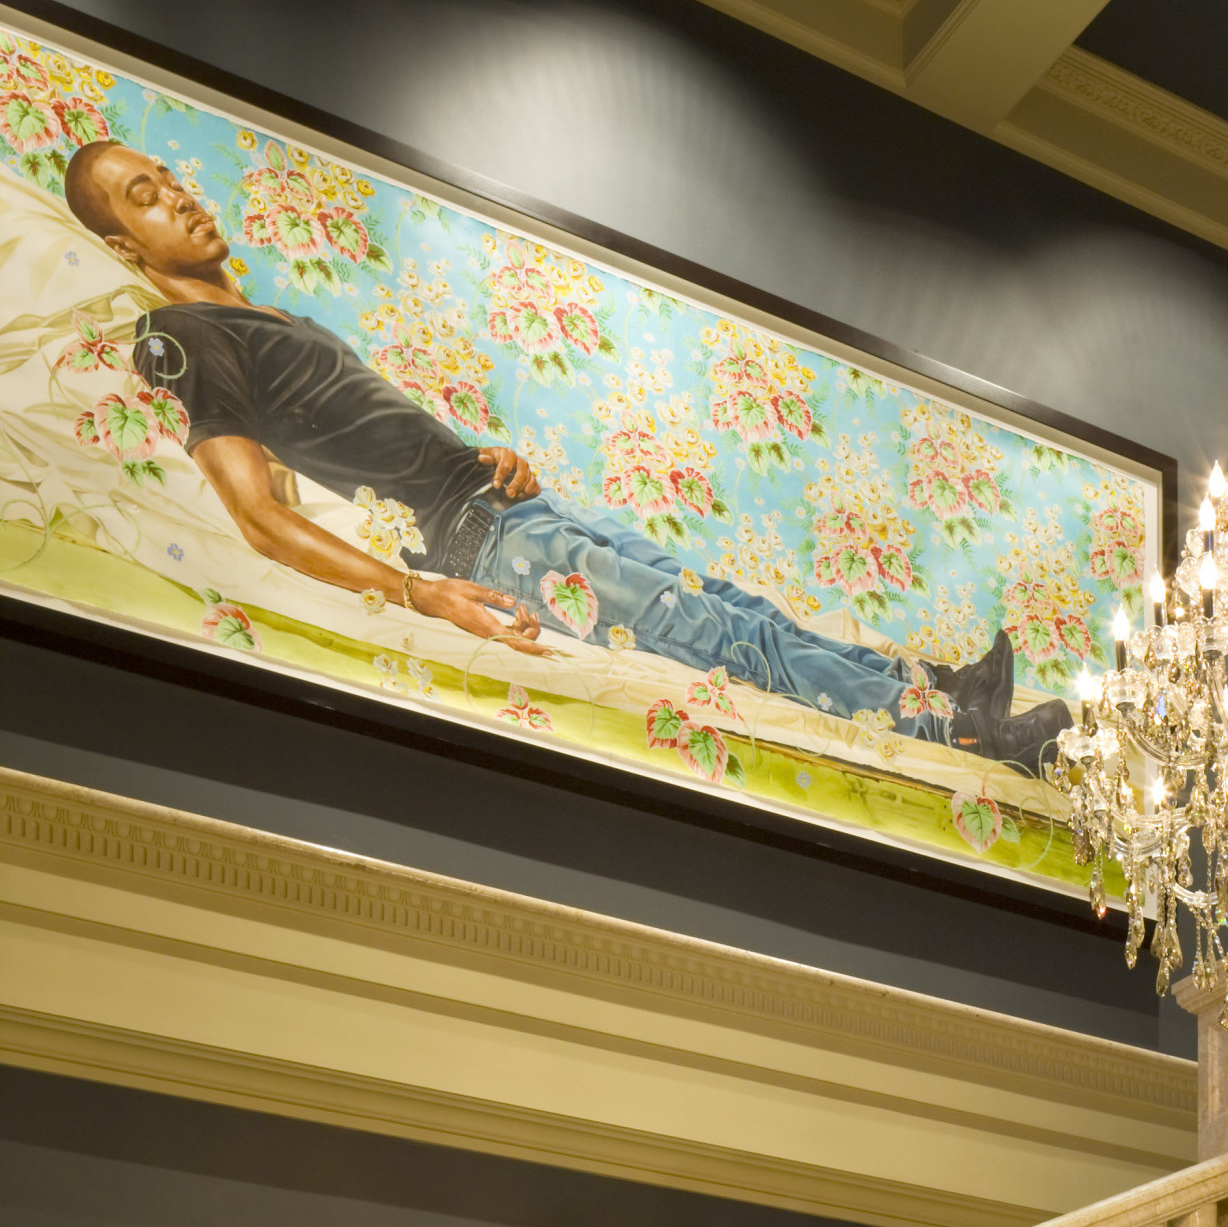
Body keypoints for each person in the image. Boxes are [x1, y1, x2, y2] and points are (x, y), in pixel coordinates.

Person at [58, 143, 1070, 771]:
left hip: (497, 506)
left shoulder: (259, 317)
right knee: (724, 639)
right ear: (129, 245)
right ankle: (964, 737)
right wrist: (419, 595)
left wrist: (480, 453)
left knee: (734, 606)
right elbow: (255, 514)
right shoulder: (179, 335)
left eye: (171, 178)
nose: (180, 198)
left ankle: (945, 686)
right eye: (145, 197)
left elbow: (324, 463)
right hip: (477, 549)